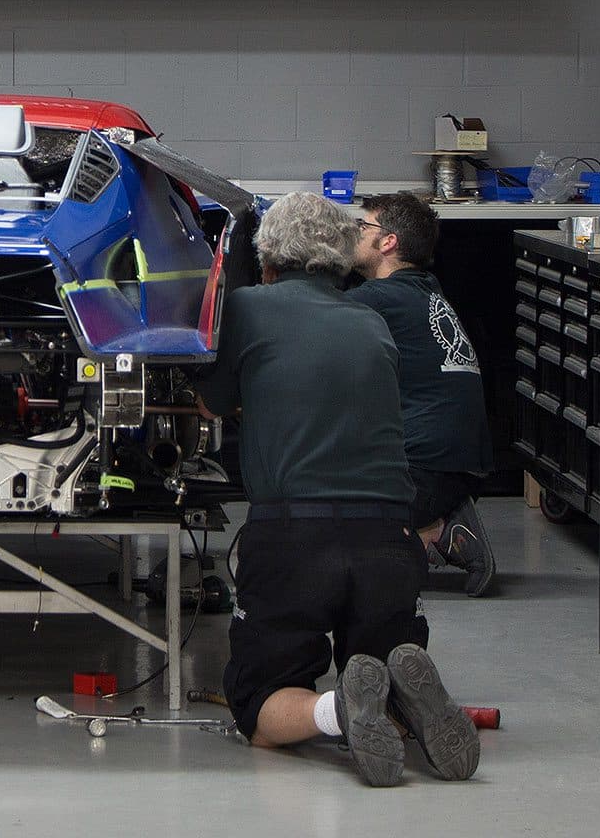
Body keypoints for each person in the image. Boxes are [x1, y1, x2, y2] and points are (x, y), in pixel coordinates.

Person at [196, 192, 479, 787]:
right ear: (341, 259)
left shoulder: (246, 307)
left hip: (295, 536)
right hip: (391, 537)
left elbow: (211, 403)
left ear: (268, 258)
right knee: (375, 655)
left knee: (260, 706)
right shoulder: (371, 319)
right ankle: (399, 701)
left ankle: (337, 711)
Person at [347, 193, 496, 597]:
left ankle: (438, 527)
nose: (356, 234)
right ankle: (436, 517)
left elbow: (314, 319)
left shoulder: (379, 298)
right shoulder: (426, 289)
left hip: (428, 469)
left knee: (331, 529)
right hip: (461, 461)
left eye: (364, 227)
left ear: (388, 241)